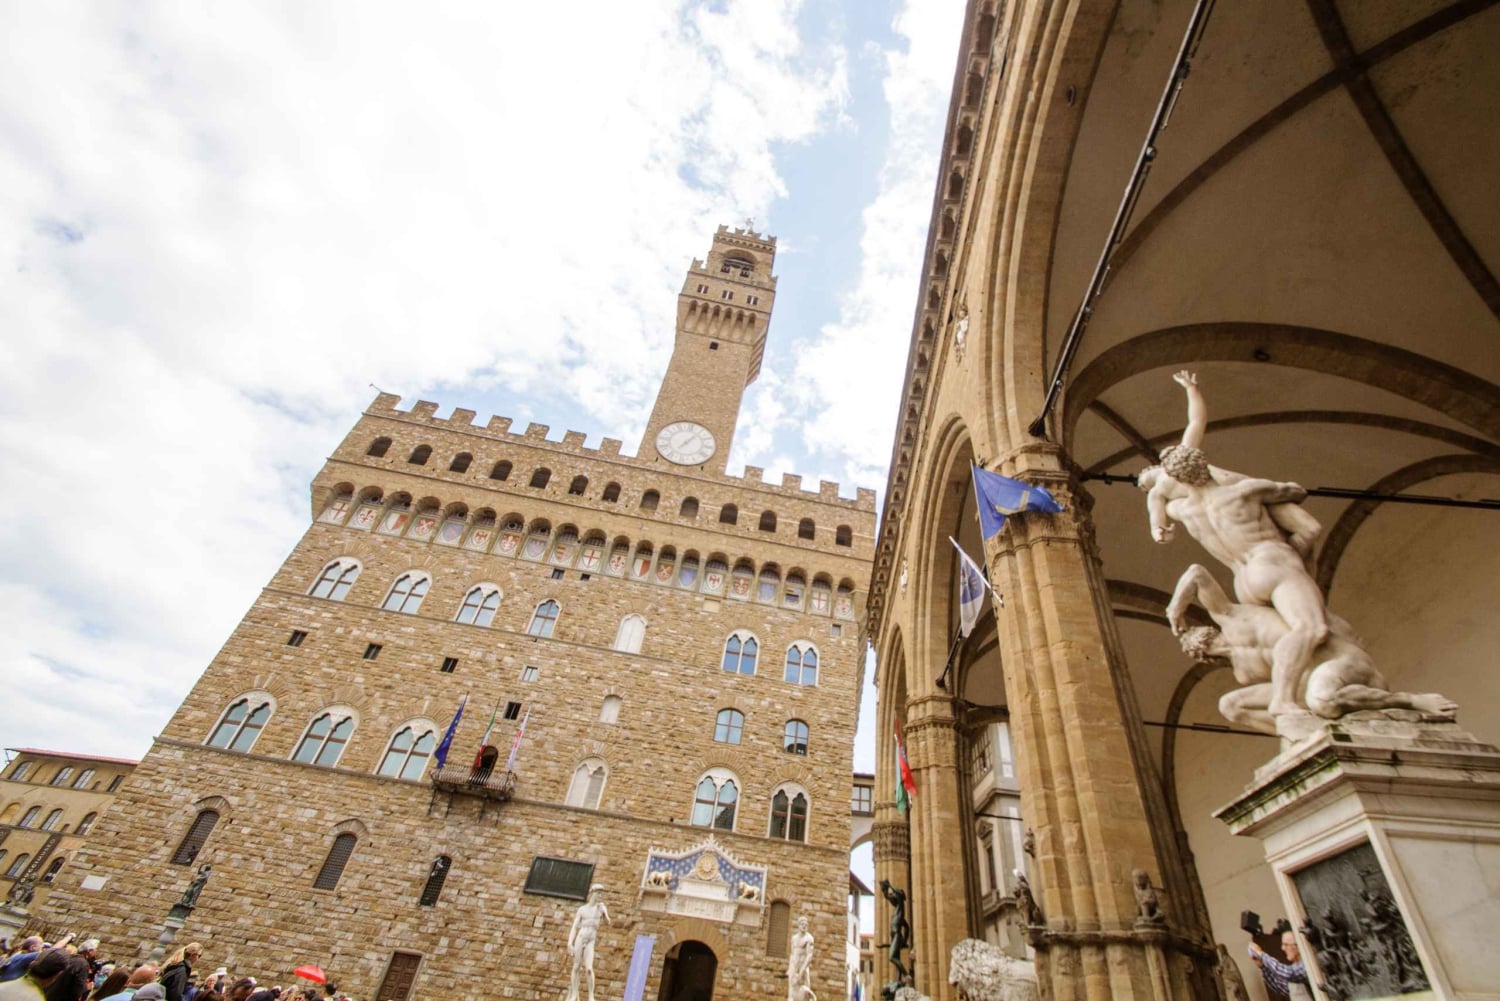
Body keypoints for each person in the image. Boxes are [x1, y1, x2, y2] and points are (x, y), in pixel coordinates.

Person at [1139, 370, 1330, 733]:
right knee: (1312, 626)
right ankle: (1285, 700)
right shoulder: (1240, 491)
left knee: (1296, 628)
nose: (1147, 478)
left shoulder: (1177, 505)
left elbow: (1159, 523)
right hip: (1272, 560)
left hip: (1245, 580)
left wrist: (1159, 527)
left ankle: (1302, 704)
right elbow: (1294, 490)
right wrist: (1192, 388)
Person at [565, 884, 611, 1001]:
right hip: (581, 937)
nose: (600, 895)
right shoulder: (582, 909)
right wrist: (570, 942)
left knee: (589, 969)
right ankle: (574, 994)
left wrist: (604, 913)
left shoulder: (601, 908)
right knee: (576, 967)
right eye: (598, 893)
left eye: (601, 893)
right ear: (593, 893)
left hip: (591, 940)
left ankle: (591, 996)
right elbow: (575, 927)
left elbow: (608, 922)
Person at [1249, 931, 1312, 1001]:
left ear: (1297, 946)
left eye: (1286, 944)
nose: (1283, 948)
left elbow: (1288, 973)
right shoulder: (1295, 969)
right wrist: (1262, 966)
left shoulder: (1308, 964)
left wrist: (1261, 954)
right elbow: (1280, 986)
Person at [785, 916, 815, 1001]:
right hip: (794, 966)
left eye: (806, 925)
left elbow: (809, 956)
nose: (804, 926)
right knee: (791, 992)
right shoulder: (794, 938)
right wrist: (790, 968)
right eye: (802, 924)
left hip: (803, 967)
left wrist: (801, 971)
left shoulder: (809, 938)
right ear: (798, 925)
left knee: (805, 992)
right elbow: (792, 953)